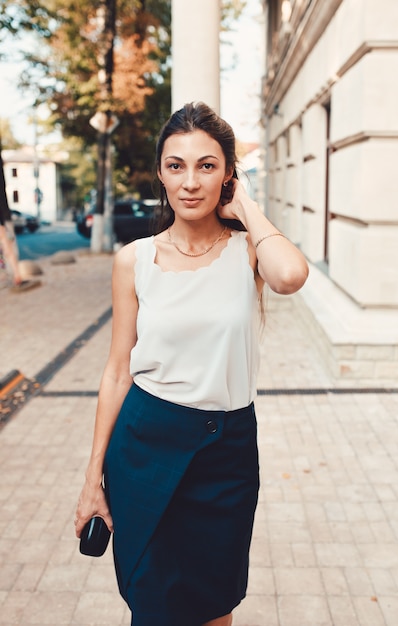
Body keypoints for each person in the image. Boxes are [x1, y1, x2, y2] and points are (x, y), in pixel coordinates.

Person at [75, 102, 309, 626]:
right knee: (154, 607)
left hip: (226, 455)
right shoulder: (133, 259)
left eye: (207, 165)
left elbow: (291, 276)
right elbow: (117, 372)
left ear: (227, 174)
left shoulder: (249, 250)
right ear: (160, 172)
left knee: (212, 607)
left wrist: (245, 205)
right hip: (145, 446)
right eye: (175, 165)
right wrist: (93, 478)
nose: (189, 182)